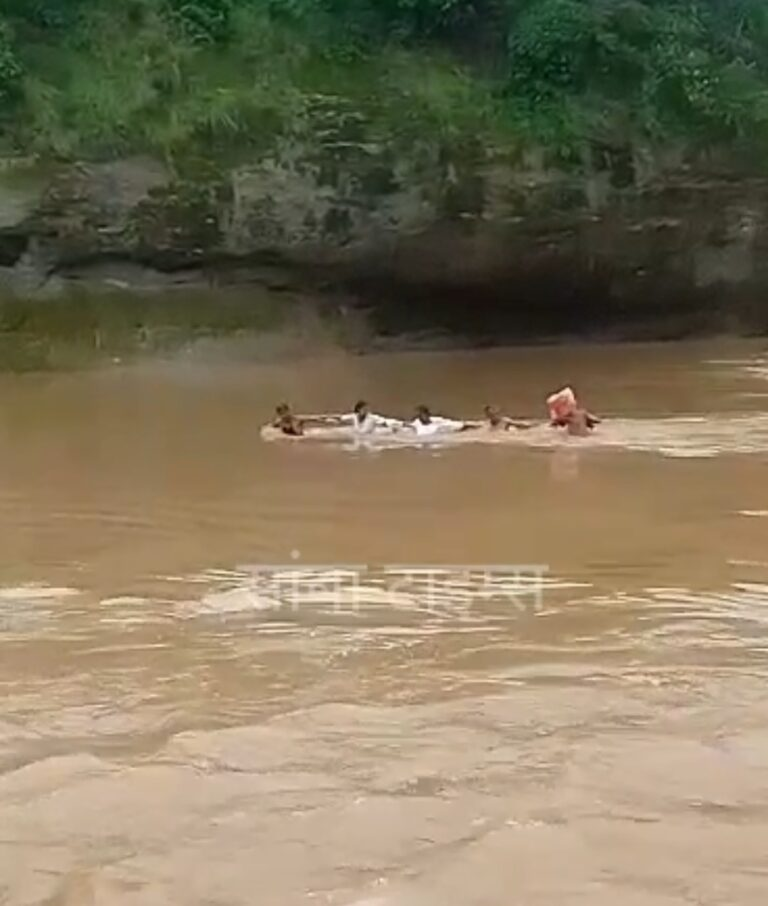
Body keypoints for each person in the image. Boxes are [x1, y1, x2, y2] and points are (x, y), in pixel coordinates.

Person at [340, 400, 404, 435]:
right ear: (358, 410)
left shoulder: (372, 417)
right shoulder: (353, 416)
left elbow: (385, 421)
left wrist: (399, 424)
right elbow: (341, 418)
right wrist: (331, 419)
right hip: (359, 436)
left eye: (366, 409)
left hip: (370, 437)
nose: (366, 411)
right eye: (364, 409)